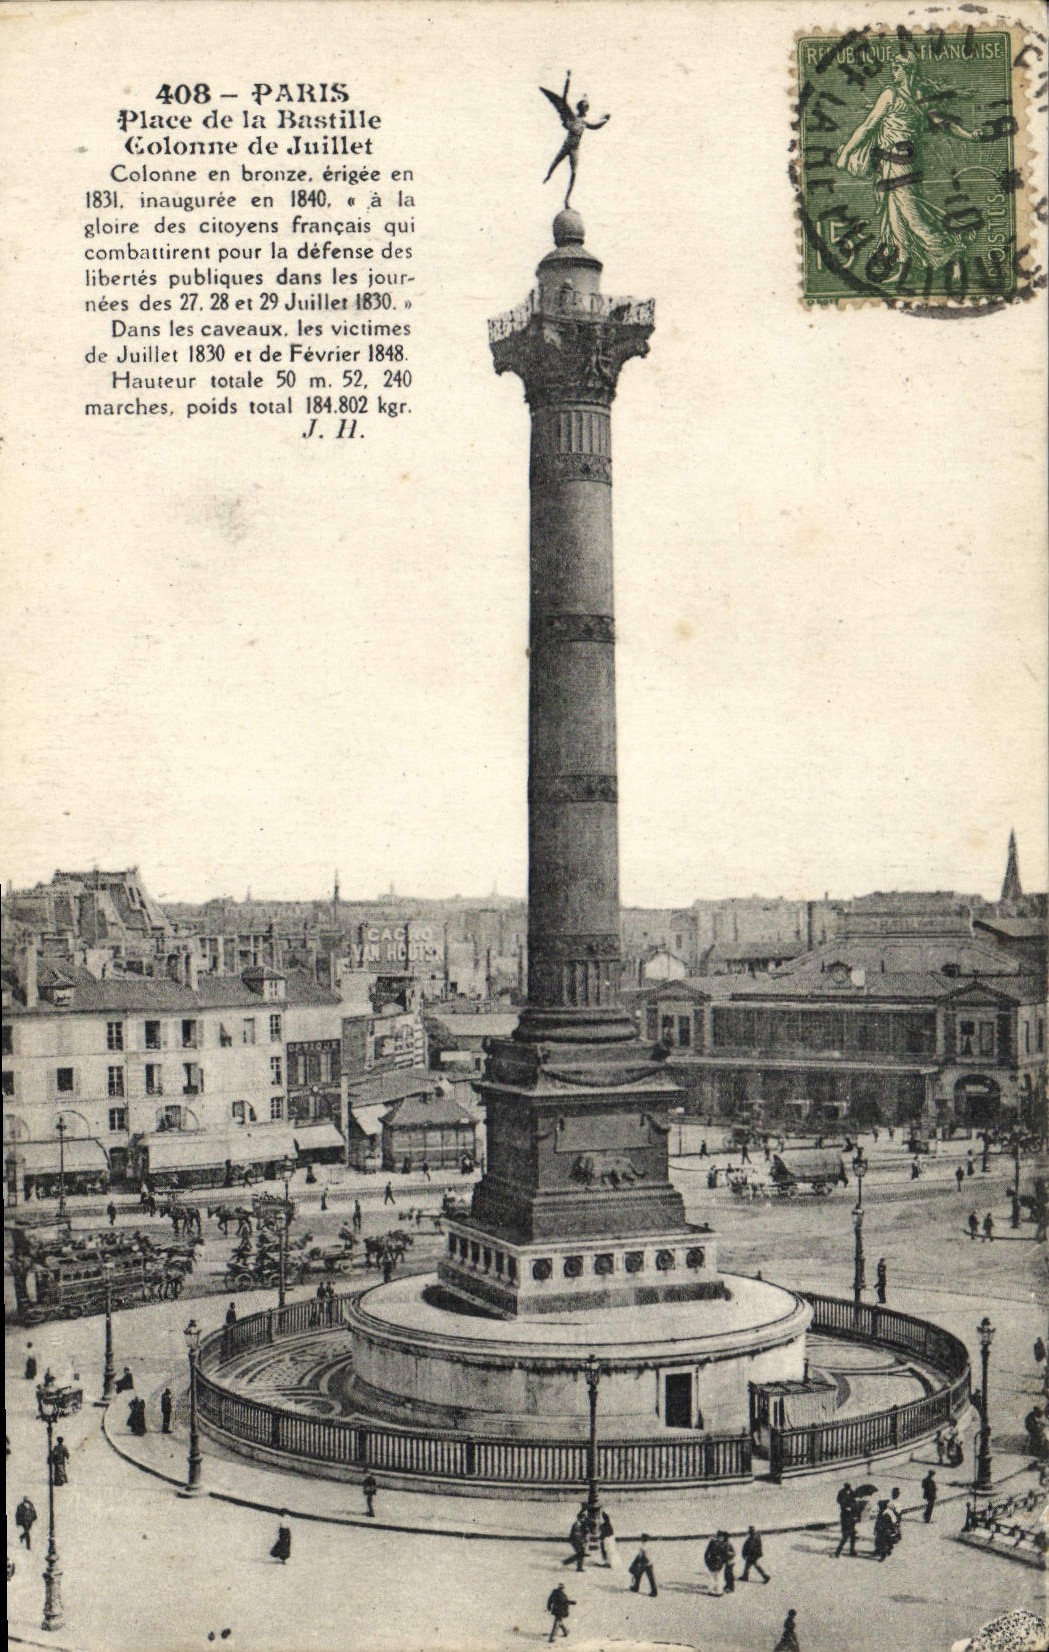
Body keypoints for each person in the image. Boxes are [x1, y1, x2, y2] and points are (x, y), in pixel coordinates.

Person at [540, 70, 611, 210]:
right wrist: (568, 80)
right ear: (580, 107)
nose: (585, 108)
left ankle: (567, 199)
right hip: (567, 145)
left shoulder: (584, 122)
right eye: (584, 106)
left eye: (586, 106)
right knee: (555, 162)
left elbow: (595, 126)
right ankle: (548, 175)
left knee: (574, 173)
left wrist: (605, 120)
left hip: (574, 149)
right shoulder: (572, 117)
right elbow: (564, 100)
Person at [834, 1481, 857, 1557]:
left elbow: (854, 1500)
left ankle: (852, 1550)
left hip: (851, 1516)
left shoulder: (851, 1492)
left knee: (853, 1535)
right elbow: (838, 1500)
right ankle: (837, 1552)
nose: (849, 1489)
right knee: (845, 1536)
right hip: (845, 1516)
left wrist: (854, 1505)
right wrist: (845, 1506)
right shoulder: (841, 1492)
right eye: (848, 1488)